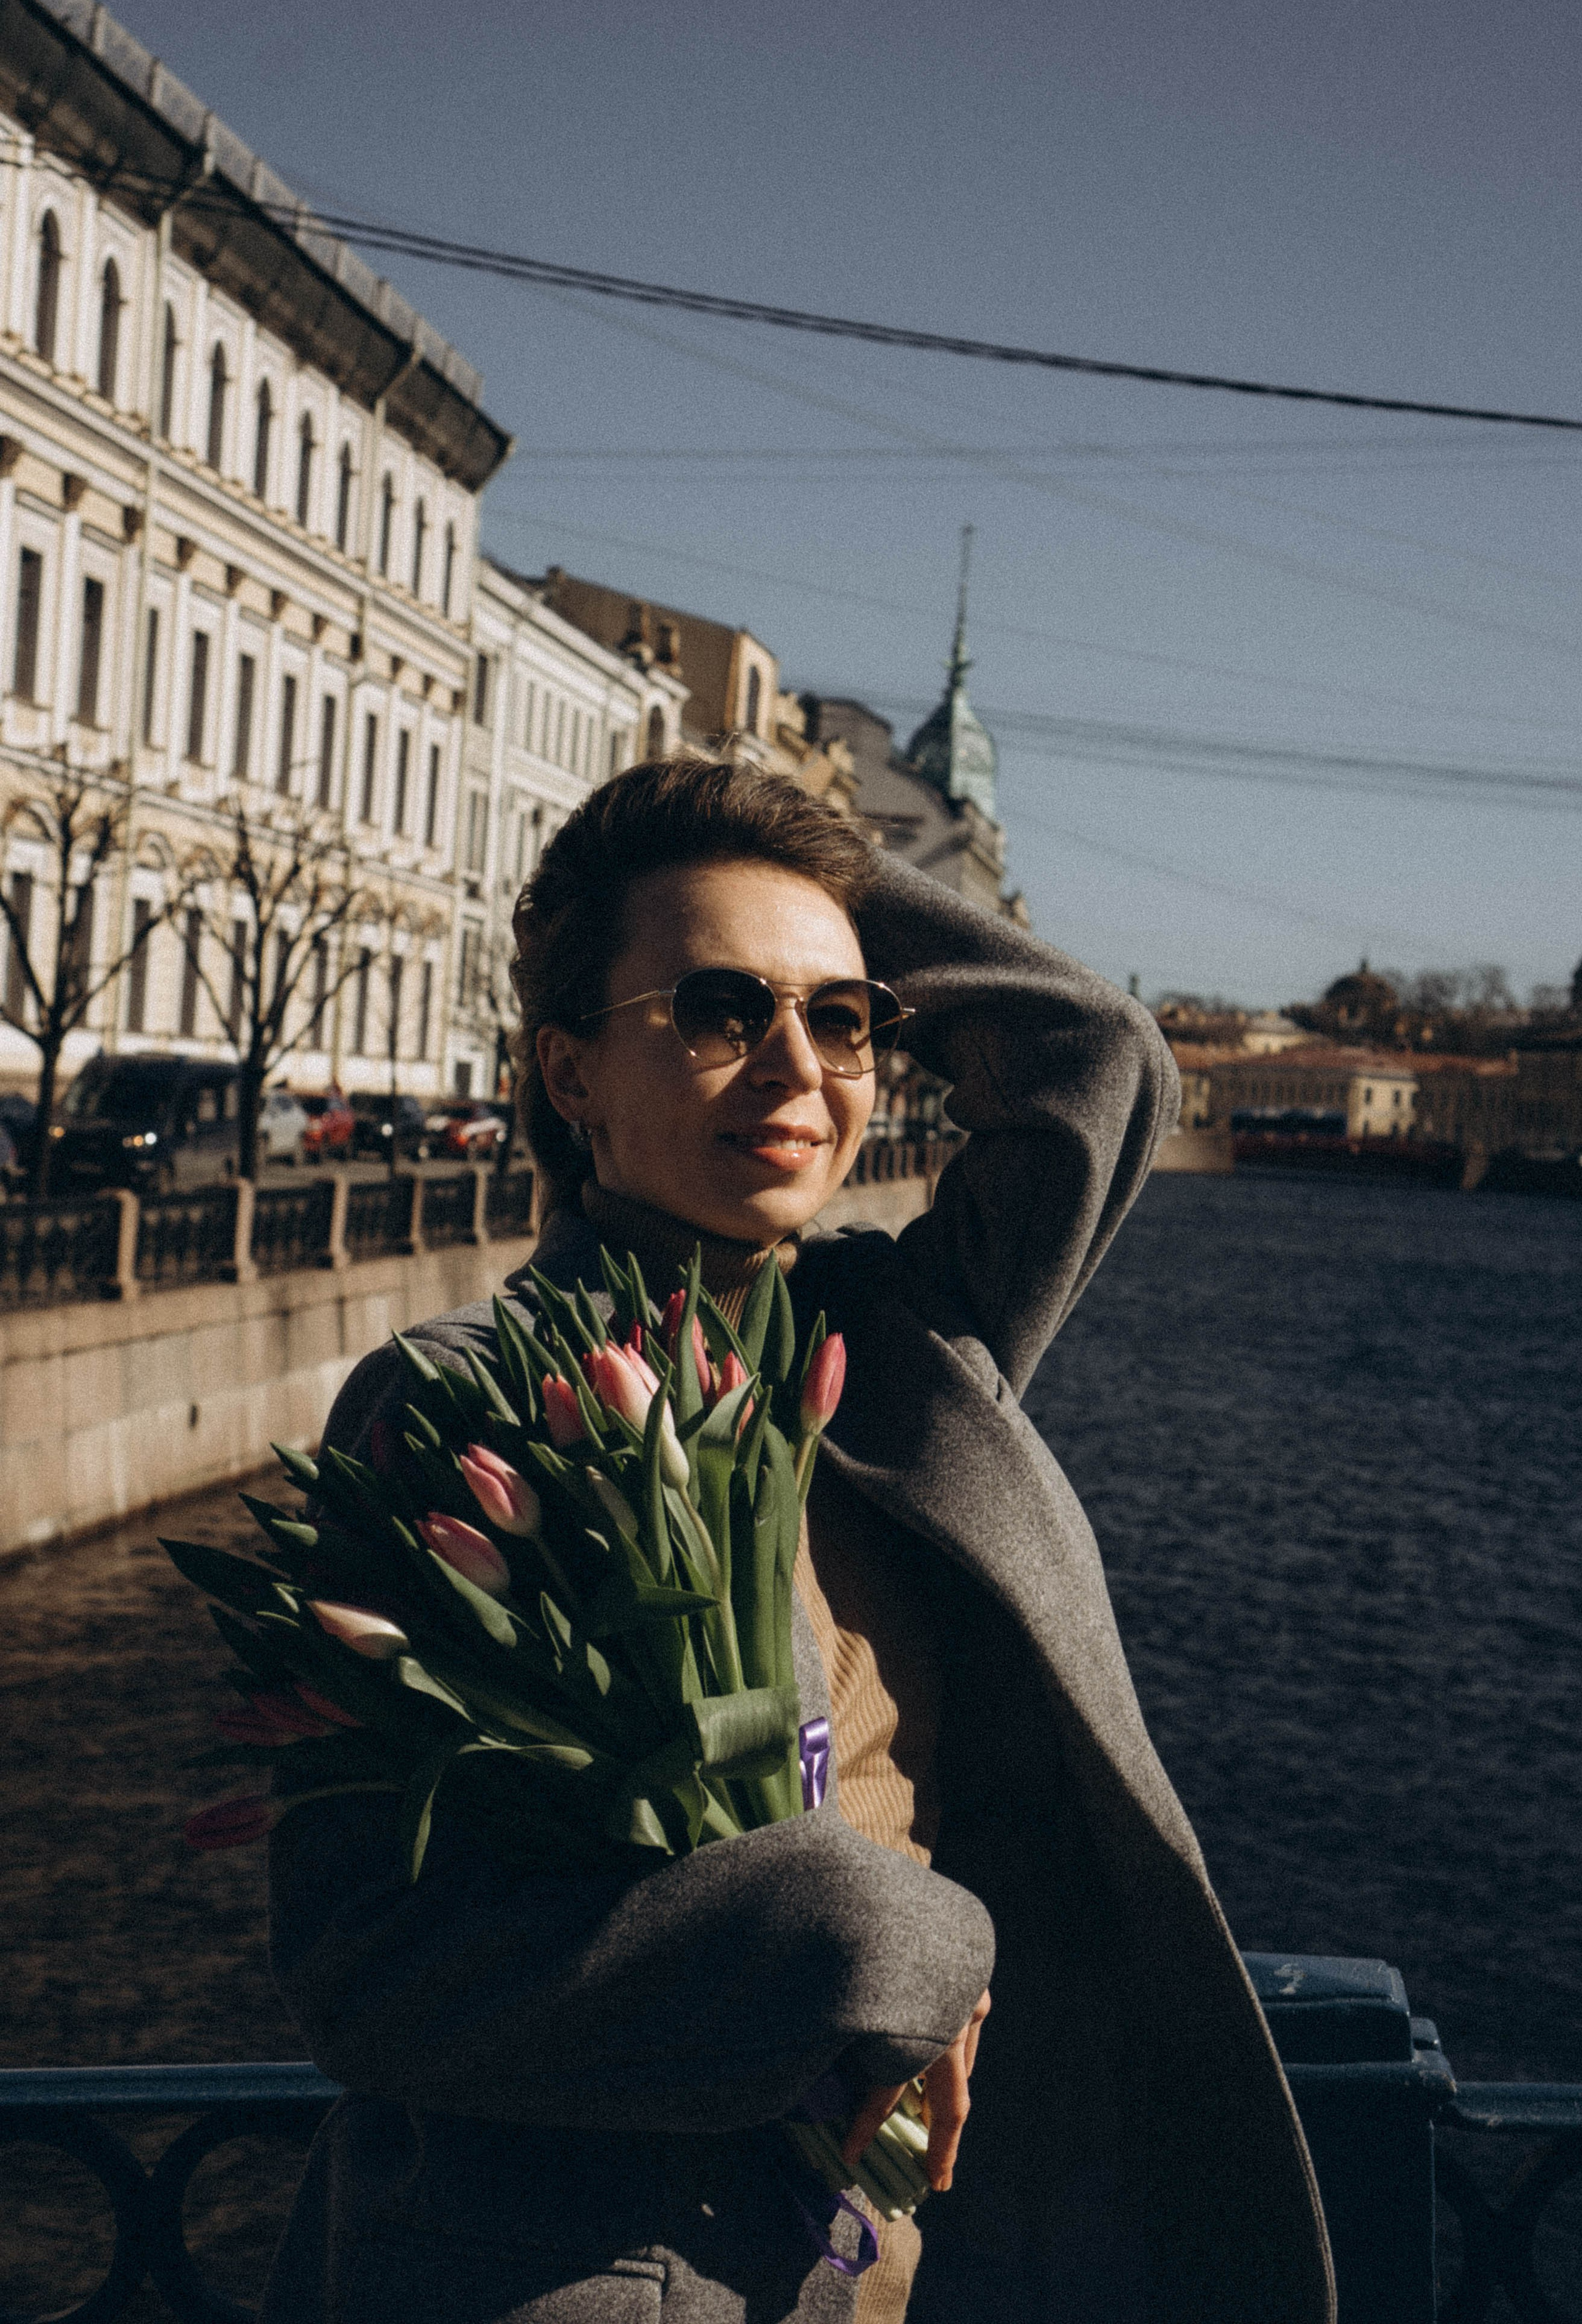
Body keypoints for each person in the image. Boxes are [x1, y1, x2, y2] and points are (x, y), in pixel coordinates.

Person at [262, 756, 1334, 2324]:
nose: (797, 1066)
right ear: (567, 1075)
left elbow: (1092, 1060)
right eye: (714, 1010)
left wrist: (801, 856)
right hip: (574, 2277)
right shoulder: (461, 1406)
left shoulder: (893, 1350)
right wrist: (877, 1938)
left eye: (841, 1021)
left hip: (873, 2270)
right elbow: (364, 1970)